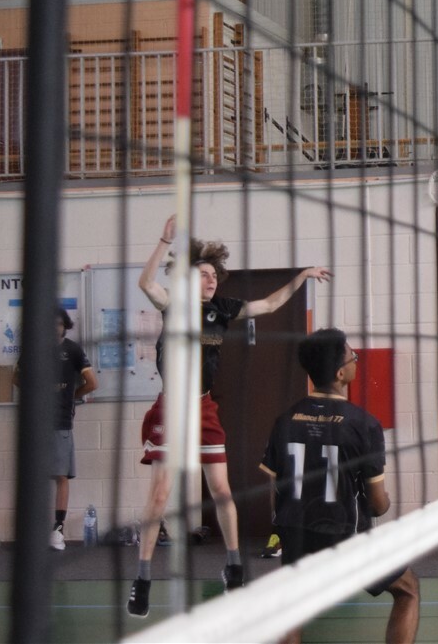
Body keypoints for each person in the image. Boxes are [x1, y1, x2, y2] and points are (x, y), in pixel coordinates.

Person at [127, 216, 332, 618]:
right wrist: (163, 241)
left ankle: (234, 566)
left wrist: (302, 276)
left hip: (203, 407)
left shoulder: (222, 310)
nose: (211, 281)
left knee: (221, 490)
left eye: (214, 275)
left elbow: (269, 305)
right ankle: (143, 577)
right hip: (171, 409)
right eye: (203, 275)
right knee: (160, 494)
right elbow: (145, 283)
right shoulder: (173, 304)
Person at [261, 328, 419, 644]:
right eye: (352, 356)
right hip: (344, 535)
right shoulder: (363, 424)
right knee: (408, 590)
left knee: (292, 609)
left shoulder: (285, 420)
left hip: (295, 531)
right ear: (340, 373)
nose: (356, 360)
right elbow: (377, 505)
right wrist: (386, 502)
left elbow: (274, 492)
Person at [15, 308, 98, 550]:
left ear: (65, 326)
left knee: (61, 476)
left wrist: (72, 396)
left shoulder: (73, 350)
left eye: (59, 324)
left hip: (61, 422)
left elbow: (92, 383)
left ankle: (58, 530)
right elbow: (17, 378)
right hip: (35, 423)